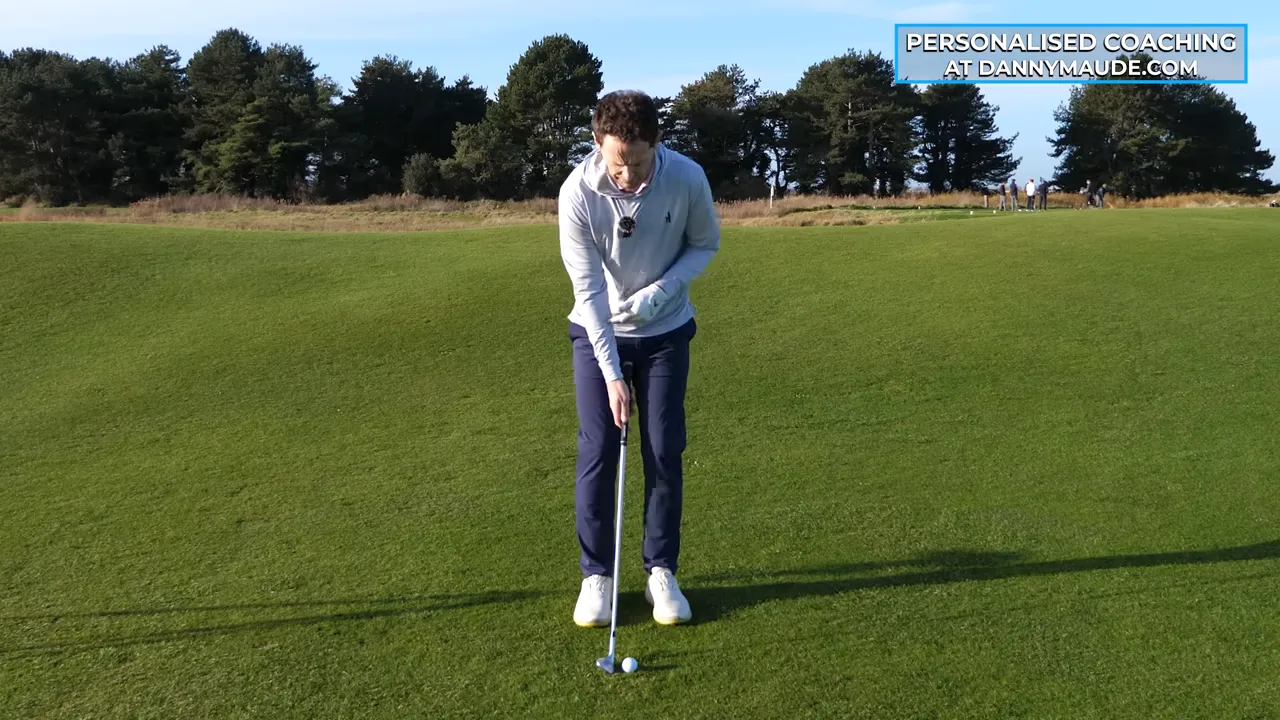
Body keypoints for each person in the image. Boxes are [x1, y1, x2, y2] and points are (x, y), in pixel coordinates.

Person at [558, 90, 720, 628]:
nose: (626, 175)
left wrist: (661, 292)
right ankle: (596, 576)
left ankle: (661, 573)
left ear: (657, 141)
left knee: (664, 447)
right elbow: (587, 290)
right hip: (597, 330)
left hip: (667, 330)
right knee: (600, 449)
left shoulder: (688, 178)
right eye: (615, 161)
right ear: (598, 143)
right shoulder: (577, 192)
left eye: (638, 161)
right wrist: (610, 373)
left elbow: (705, 245)